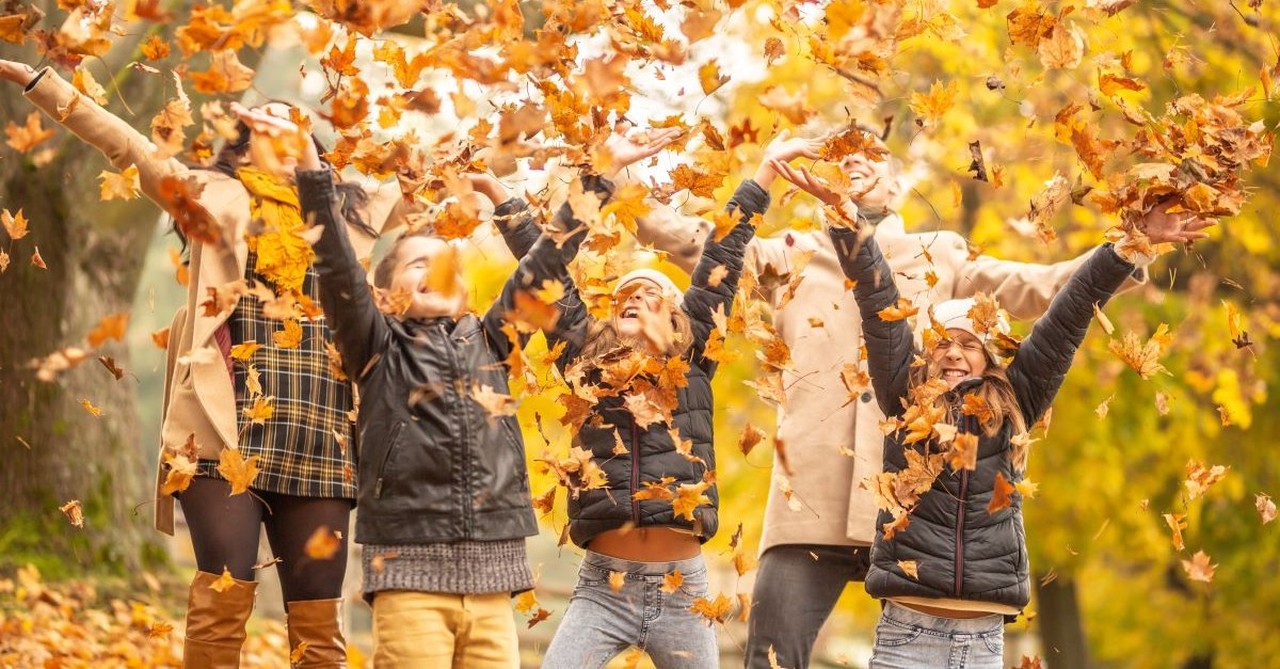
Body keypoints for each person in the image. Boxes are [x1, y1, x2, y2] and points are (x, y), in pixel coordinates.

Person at [630, 126, 1149, 668]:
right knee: (771, 657)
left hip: (919, 506)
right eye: (840, 155)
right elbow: (700, 244)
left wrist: (1131, 248)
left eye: (871, 156)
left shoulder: (942, 254)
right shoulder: (791, 252)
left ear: (896, 183)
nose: (854, 161)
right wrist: (613, 180)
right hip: (811, 498)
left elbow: (1043, 288)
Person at [0, 59, 414, 667]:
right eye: (260, 123)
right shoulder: (208, 193)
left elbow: (447, 175)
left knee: (318, 621)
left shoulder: (350, 209)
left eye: (291, 123)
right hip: (220, 430)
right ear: (240, 147)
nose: (276, 128)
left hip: (320, 430)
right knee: (224, 594)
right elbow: (126, 144)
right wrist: (43, 83)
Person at [235, 107, 679, 667]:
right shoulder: (374, 345)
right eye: (418, 263)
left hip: (494, 586)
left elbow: (547, 259)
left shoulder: (493, 341)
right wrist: (309, 170)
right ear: (386, 289)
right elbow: (336, 264)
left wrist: (602, 175)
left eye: (446, 265)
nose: (433, 272)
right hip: (408, 579)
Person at [773, 157, 1210, 667]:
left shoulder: (1016, 401)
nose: (954, 353)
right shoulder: (904, 396)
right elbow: (878, 298)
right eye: (943, 343)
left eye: (969, 344)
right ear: (925, 355)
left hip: (980, 642)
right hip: (906, 636)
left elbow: (1069, 313)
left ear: (990, 359)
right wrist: (848, 219)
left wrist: (1132, 245)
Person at [536, 132, 821, 668]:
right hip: (603, 588)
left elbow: (725, 252)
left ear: (678, 319)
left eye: (654, 294)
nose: (637, 298)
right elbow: (544, 271)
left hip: (682, 590)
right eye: (625, 295)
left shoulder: (693, 363)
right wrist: (600, 178)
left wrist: (764, 173)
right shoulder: (582, 362)